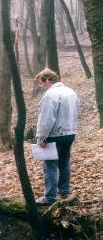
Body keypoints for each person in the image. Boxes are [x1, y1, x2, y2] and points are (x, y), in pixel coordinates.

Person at [35, 68, 81, 205]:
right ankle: (64, 190)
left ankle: (50, 197)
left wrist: (41, 137)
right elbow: (78, 110)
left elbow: (46, 119)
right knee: (64, 162)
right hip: (70, 133)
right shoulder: (71, 92)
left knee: (50, 165)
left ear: (48, 80)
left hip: (55, 135)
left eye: (43, 83)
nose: (43, 86)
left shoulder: (50, 95)